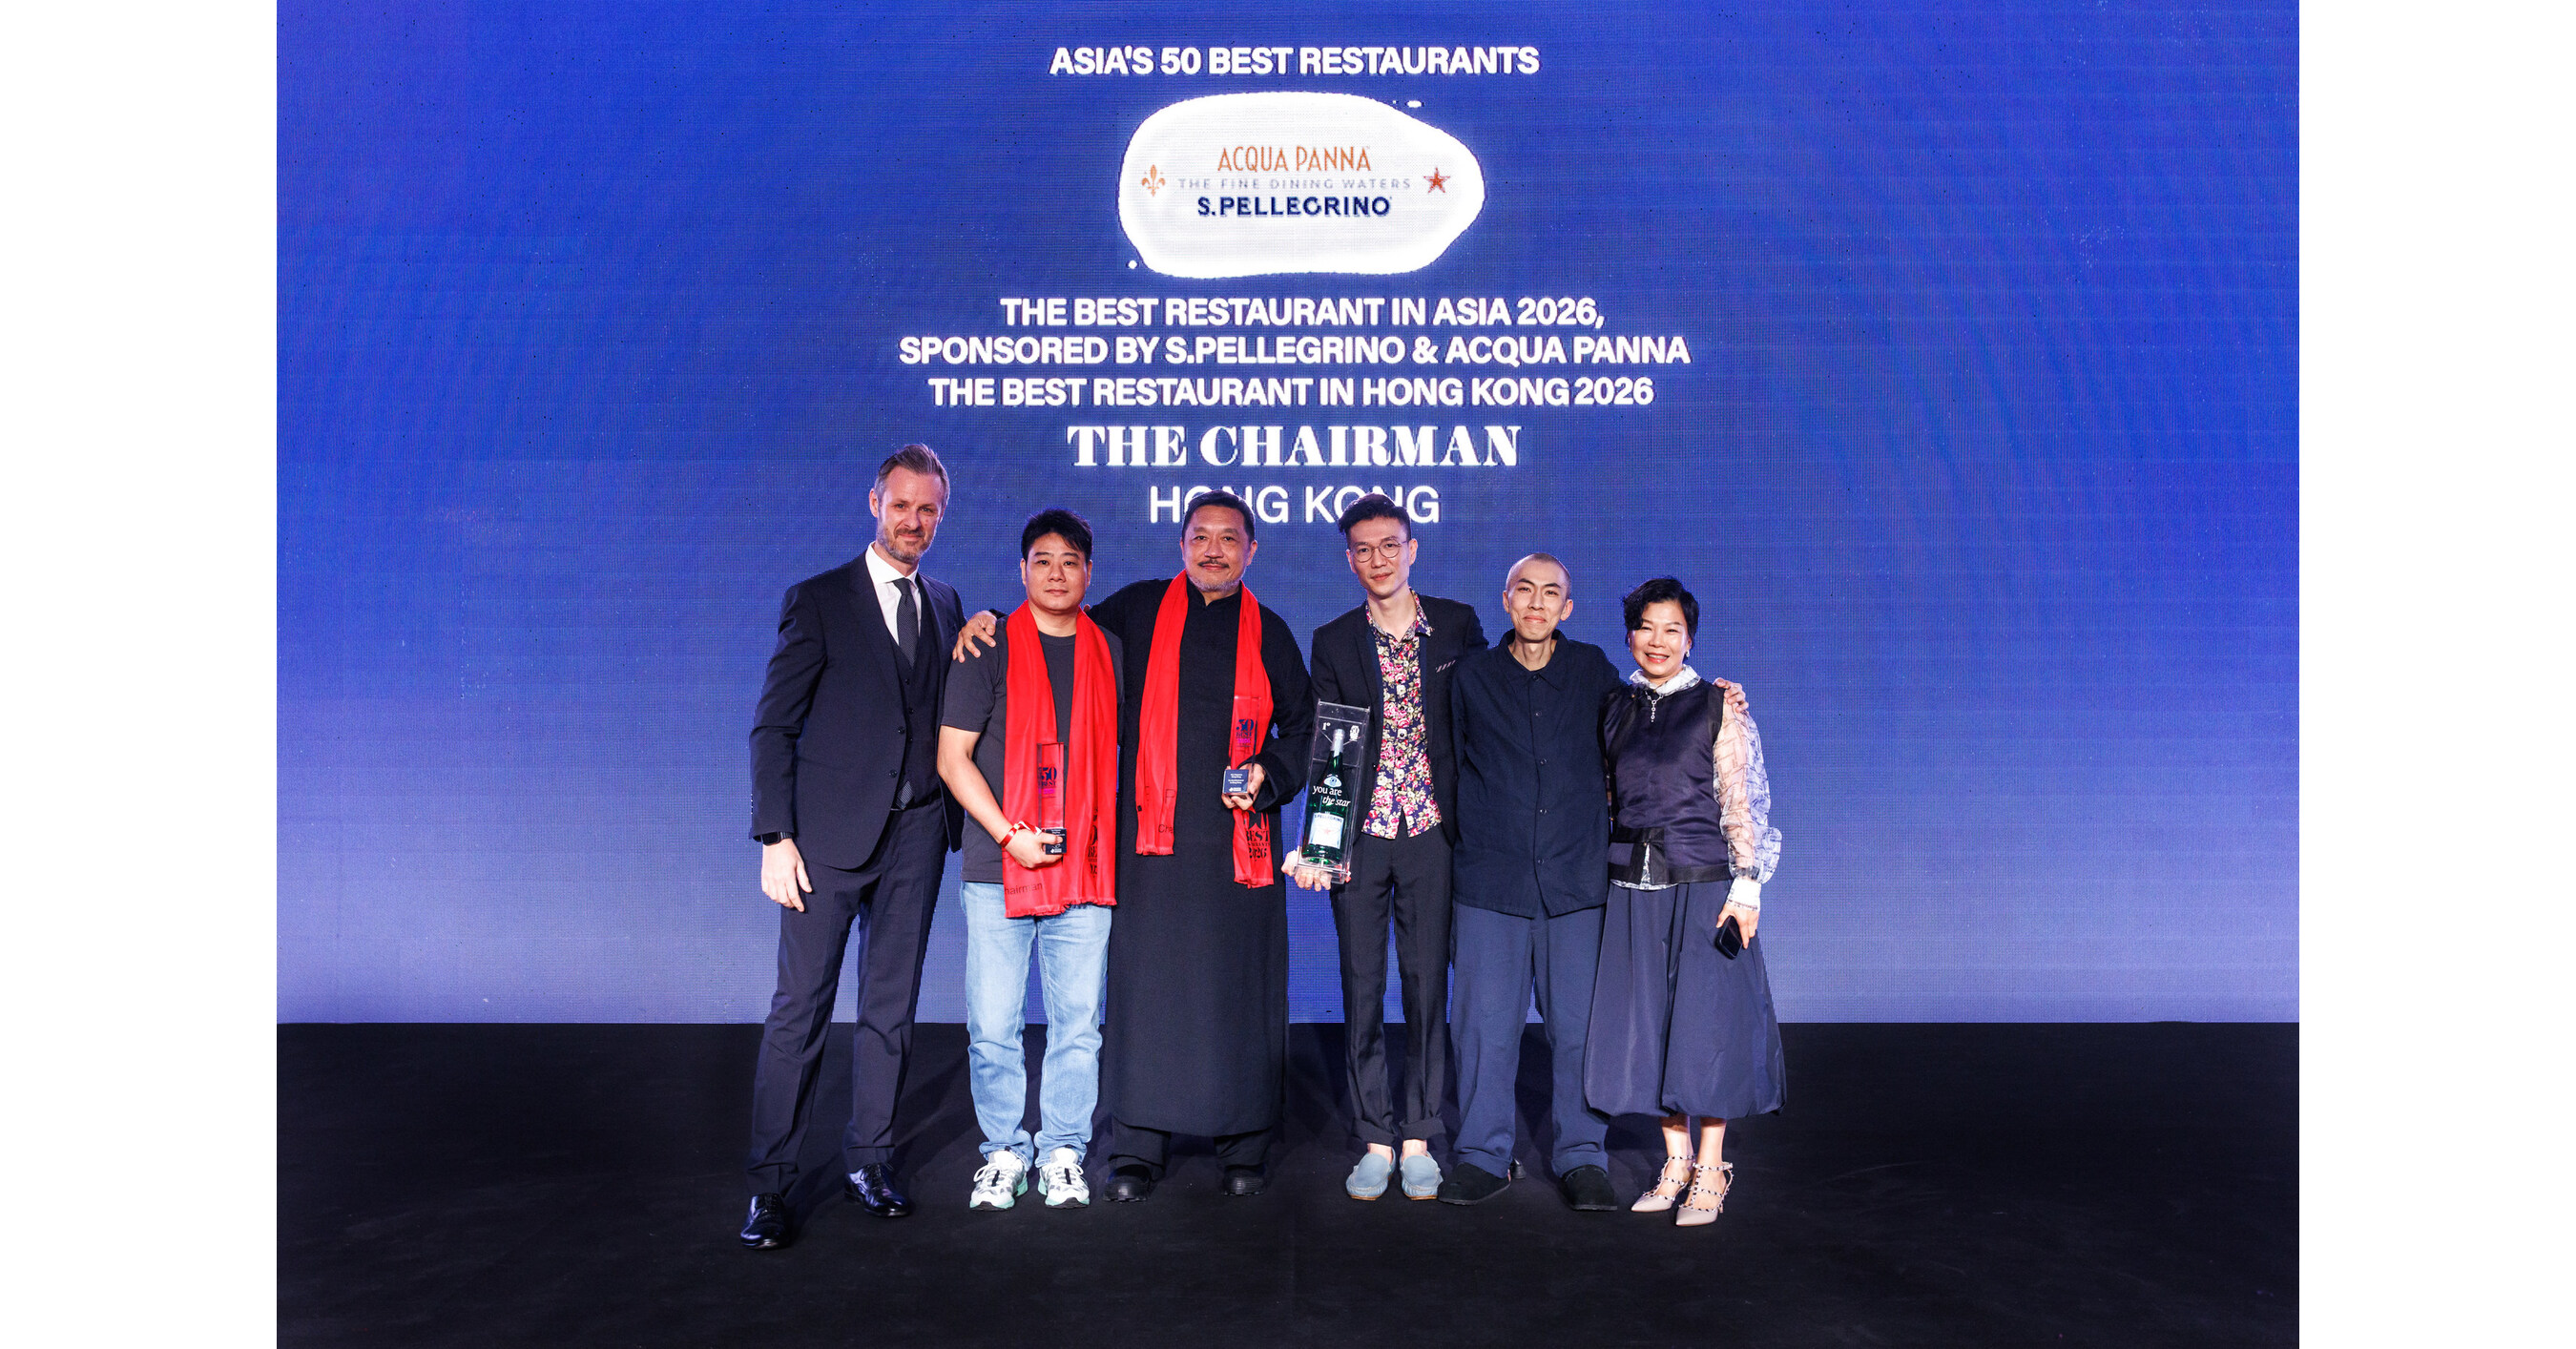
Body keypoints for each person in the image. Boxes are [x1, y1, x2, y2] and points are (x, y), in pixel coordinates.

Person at [956, 490, 1312, 1199]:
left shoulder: (1270, 632)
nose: (1214, 550)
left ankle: (1242, 1146)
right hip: (1146, 849)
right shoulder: (1138, 612)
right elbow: (1058, 625)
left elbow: (1302, 731)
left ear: (1252, 550)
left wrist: (1269, 775)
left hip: (1235, 849)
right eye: (1200, 536)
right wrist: (989, 619)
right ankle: (1138, 1147)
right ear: (1180, 544)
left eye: (1229, 539)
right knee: (1145, 995)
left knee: (1238, 993)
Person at [739, 445, 966, 1249]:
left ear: (941, 516)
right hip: (825, 842)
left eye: (928, 510)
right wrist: (775, 835)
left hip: (915, 835)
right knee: (799, 1011)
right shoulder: (820, 599)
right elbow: (774, 723)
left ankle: (870, 1159)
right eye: (902, 505)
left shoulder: (945, 603)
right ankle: (769, 1187)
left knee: (890, 1010)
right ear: (875, 503)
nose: (914, 521)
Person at [1289, 494, 1485, 1200]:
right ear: (1350, 560)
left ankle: (1420, 1134)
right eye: (1363, 549)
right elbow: (1332, 745)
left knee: (1429, 984)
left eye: (1389, 545)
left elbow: (1488, 712)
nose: (1378, 559)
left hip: (1433, 831)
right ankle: (1376, 1134)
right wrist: (1321, 844)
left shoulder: (1459, 627)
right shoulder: (1334, 640)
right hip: (1362, 838)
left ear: (1413, 548)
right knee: (1362, 985)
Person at [935, 508, 1122, 1211]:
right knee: (994, 1024)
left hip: (1085, 871)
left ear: (1088, 572)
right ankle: (1005, 1152)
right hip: (997, 864)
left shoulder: (1111, 650)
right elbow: (953, 759)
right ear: (1022, 570)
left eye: (1070, 561)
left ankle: (1065, 1150)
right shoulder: (988, 648)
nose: (1055, 573)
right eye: (1042, 560)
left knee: (1079, 1025)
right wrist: (1009, 833)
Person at [1584, 576, 1784, 1228]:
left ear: (1689, 637)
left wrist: (1747, 885)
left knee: (1707, 1027)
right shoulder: (1613, 707)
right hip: (1633, 889)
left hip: (1702, 886)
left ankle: (1711, 1164)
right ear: (1630, 635)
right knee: (1652, 1027)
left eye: (1672, 629)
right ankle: (1674, 1162)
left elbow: (1742, 797)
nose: (1658, 641)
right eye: (1646, 627)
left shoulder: (1719, 705)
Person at [1434, 553, 1626, 1211]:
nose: (1538, 603)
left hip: (1575, 881)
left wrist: (1710, 699)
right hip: (1492, 878)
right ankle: (1484, 1154)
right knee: (1483, 1027)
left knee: (1577, 1029)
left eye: (1552, 594)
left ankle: (1581, 1156)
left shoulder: (1594, 672)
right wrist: (1479, 841)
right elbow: (1449, 769)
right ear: (1507, 600)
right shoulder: (1474, 679)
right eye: (1525, 590)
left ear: (1567, 608)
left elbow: (1636, 742)